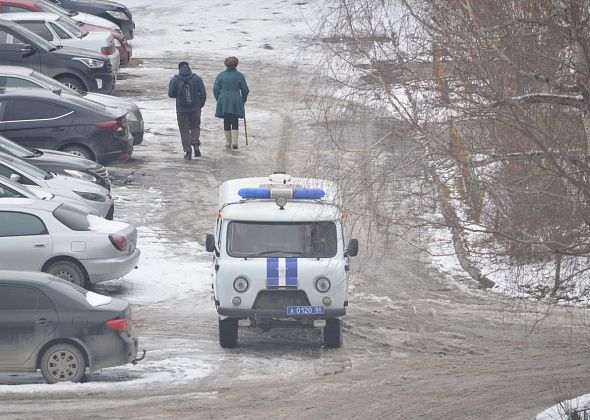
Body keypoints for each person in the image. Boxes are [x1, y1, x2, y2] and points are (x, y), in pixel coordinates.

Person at [168, 61, 207, 159]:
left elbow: (171, 94)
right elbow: (203, 94)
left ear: (179, 69)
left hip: (181, 110)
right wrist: (199, 105)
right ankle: (196, 145)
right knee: (195, 127)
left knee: (184, 130)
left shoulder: (175, 80)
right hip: (195, 109)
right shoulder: (197, 78)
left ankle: (188, 152)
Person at [213, 56, 249, 150]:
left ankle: (228, 142)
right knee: (234, 119)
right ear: (236, 65)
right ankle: (235, 142)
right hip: (236, 99)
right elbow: (245, 90)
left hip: (224, 99)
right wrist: (243, 99)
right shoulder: (239, 75)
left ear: (226, 64)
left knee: (226, 120)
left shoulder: (221, 75)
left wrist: (218, 98)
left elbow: (215, 89)